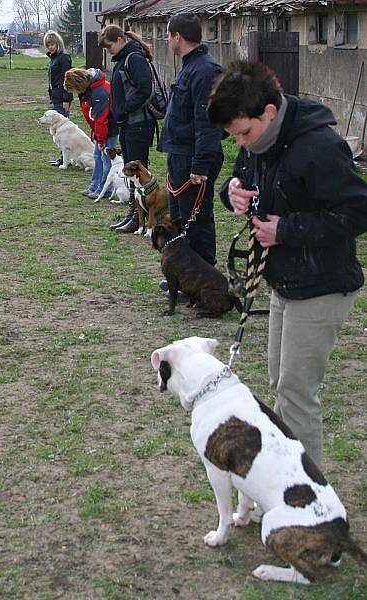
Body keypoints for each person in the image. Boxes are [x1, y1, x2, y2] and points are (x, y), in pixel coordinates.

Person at [208, 60, 367, 466]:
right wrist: (233, 193)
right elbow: (241, 179)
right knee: (281, 384)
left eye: (243, 132)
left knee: (296, 395)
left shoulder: (319, 146)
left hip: (320, 284)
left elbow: (357, 212)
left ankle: (307, 501)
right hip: (284, 280)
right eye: (232, 136)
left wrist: (287, 231)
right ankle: (288, 481)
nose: (240, 144)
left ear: (270, 112)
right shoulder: (260, 143)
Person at [157, 13, 225, 266]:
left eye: (167, 35)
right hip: (179, 155)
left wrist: (200, 165)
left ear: (178, 37)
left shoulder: (206, 70)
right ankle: (185, 276)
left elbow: (208, 123)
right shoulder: (191, 65)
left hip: (192, 159)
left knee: (196, 220)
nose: (166, 40)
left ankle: (203, 275)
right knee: (179, 219)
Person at [98, 25, 156, 232]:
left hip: (139, 123)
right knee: (130, 172)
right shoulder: (125, 59)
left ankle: (142, 217)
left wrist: (124, 109)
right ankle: (133, 214)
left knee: (137, 173)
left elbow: (145, 90)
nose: (108, 51)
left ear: (120, 39)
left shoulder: (134, 59)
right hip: (129, 124)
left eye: (109, 46)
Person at [64, 67, 118, 199]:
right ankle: (94, 186)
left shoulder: (99, 93)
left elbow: (101, 119)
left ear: (79, 85)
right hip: (100, 128)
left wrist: (100, 140)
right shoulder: (89, 90)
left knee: (106, 160)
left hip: (109, 129)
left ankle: (105, 190)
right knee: (97, 157)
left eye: (74, 90)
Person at [43, 30, 73, 167]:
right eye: (48, 44)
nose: (50, 47)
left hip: (61, 97)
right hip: (55, 97)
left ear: (58, 43)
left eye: (52, 44)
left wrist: (66, 99)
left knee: (62, 129)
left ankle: (64, 158)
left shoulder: (64, 58)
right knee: (58, 129)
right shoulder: (53, 58)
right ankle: (63, 157)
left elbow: (68, 79)